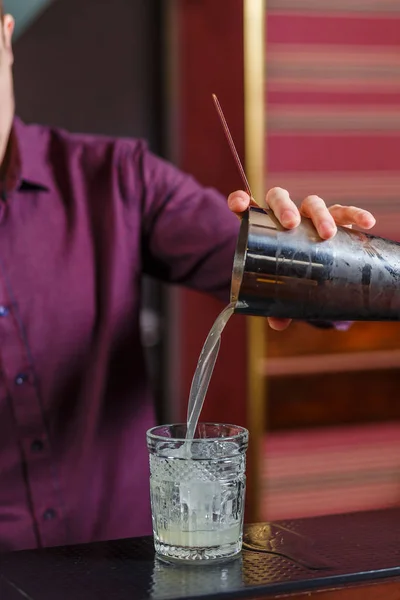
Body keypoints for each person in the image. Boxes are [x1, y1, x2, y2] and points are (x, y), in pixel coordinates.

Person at [0, 7, 376, 552]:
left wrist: (322, 252)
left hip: (133, 575)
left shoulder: (117, 177)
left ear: (6, 37)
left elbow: (269, 268)